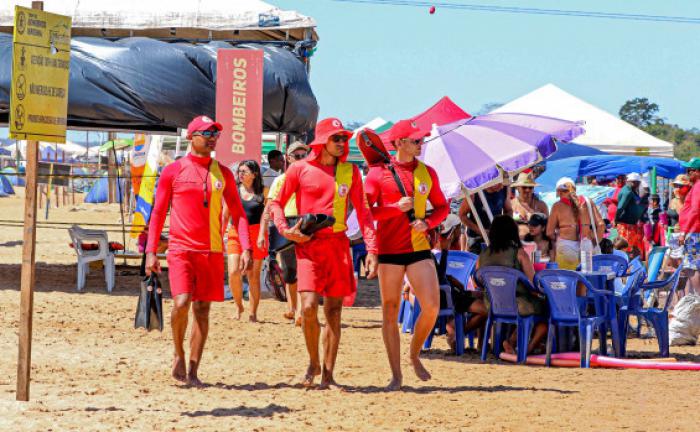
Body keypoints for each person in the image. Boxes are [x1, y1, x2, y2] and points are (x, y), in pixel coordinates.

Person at [269, 118, 378, 389]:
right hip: (308, 245)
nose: (342, 144)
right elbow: (275, 203)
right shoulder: (299, 168)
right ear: (322, 141)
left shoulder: (351, 172)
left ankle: (328, 375)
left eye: (344, 139)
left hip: (338, 246)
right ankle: (313, 362)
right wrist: (286, 230)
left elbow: (363, 213)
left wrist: (372, 249)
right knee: (307, 308)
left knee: (334, 311)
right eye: (336, 139)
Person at [146, 115, 252, 387]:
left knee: (202, 310)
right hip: (181, 250)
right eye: (207, 133)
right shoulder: (173, 170)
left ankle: (193, 370)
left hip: (212, 251)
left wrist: (246, 247)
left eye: (216, 133)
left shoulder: (224, 173)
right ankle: (178, 353)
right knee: (181, 303)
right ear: (191, 136)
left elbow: (239, 214)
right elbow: (158, 212)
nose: (213, 137)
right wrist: (150, 252)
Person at [364, 119, 449, 390]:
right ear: (399, 142)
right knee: (389, 311)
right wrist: (394, 208)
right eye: (415, 140)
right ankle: (396, 375)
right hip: (389, 249)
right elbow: (365, 212)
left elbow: (443, 208)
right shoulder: (377, 174)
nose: (420, 143)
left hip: (419, 248)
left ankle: (414, 355)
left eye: (421, 139)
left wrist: (429, 223)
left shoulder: (428, 172)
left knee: (432, 306)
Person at [477, 215, 547, 355]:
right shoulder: (519, 253)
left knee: (530, 311)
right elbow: (533, 282)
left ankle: (513, 342)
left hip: (491, 304)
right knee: (545, 309)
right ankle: (521, 345)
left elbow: (477, 281)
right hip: (518, 303)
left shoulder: (483, 254)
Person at [259, 141, 309, 324]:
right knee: (290, 271)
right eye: (297, 156)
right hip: (286, 224)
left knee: (306, 269)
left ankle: (299, 311)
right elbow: (269, 206)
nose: (301, 159)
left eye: (304, 155)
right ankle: (293, 309)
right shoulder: (281, 180)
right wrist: (261, 234)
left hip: (306, 223)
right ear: (288, 158)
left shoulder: (312, 177)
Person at [437, 214, 488, 353]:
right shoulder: (442, 247)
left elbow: (444, 275)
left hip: (445, 293)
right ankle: (458, 334)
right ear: (454, 230)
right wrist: (463, 288)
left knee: (482, 304)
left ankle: (457, 334)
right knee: (487, 309)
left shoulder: (438, 244)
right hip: (449, 295)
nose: (462, 232)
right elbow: (442, 276)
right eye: (460, 228)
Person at [226, 160, 267, 322]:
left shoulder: (263, 192)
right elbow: (225, 214)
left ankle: (253, 313)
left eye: (245, 171)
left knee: (253, 275)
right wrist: (220, 232)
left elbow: (266, 216)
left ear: (254, 174)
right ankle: (238, 306)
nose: (240, 174)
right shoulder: (233, 191)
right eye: (239, 171)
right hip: (235, 233)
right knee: (233, 272)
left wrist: (262, 235)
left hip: (256, 234)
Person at [546, 178, 601, 270]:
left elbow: (549, 232)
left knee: (567, 280)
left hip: (565, 248)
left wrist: (559, 237)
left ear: (559, 192)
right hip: (586, 248)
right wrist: (595, 243)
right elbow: (601, 225)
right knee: (584, 280)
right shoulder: (588, 202)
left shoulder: (557, 206)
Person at [460, 182, 513, 254]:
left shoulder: (504, 188)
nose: (501, 186)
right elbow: (462, 215)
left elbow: (509, 210)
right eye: (499, 183)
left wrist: (503, 226)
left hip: (496, 237)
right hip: (476, 239)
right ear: (492, 181)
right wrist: (480, 230)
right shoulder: (474, 191)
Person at [679, 157, 700, 294]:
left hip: (694, 232)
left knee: (692, 267)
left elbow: (695, 210)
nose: (687, 174)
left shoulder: (698, 186)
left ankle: (697, 300)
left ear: (697, 171)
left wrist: (684, 231)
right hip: (694, 231)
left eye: (690, 171)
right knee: (691, 268)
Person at [615, 172, 646, 258]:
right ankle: (626, 265)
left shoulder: (632, 191)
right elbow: (620, 207)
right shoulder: (627, 192)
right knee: (627, 247)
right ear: (632, 182)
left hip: (632, 225)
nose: (638, 184)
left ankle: (635, 265)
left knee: (634, 248)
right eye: (637, 182)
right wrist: (616, 219)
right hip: (626, 226)